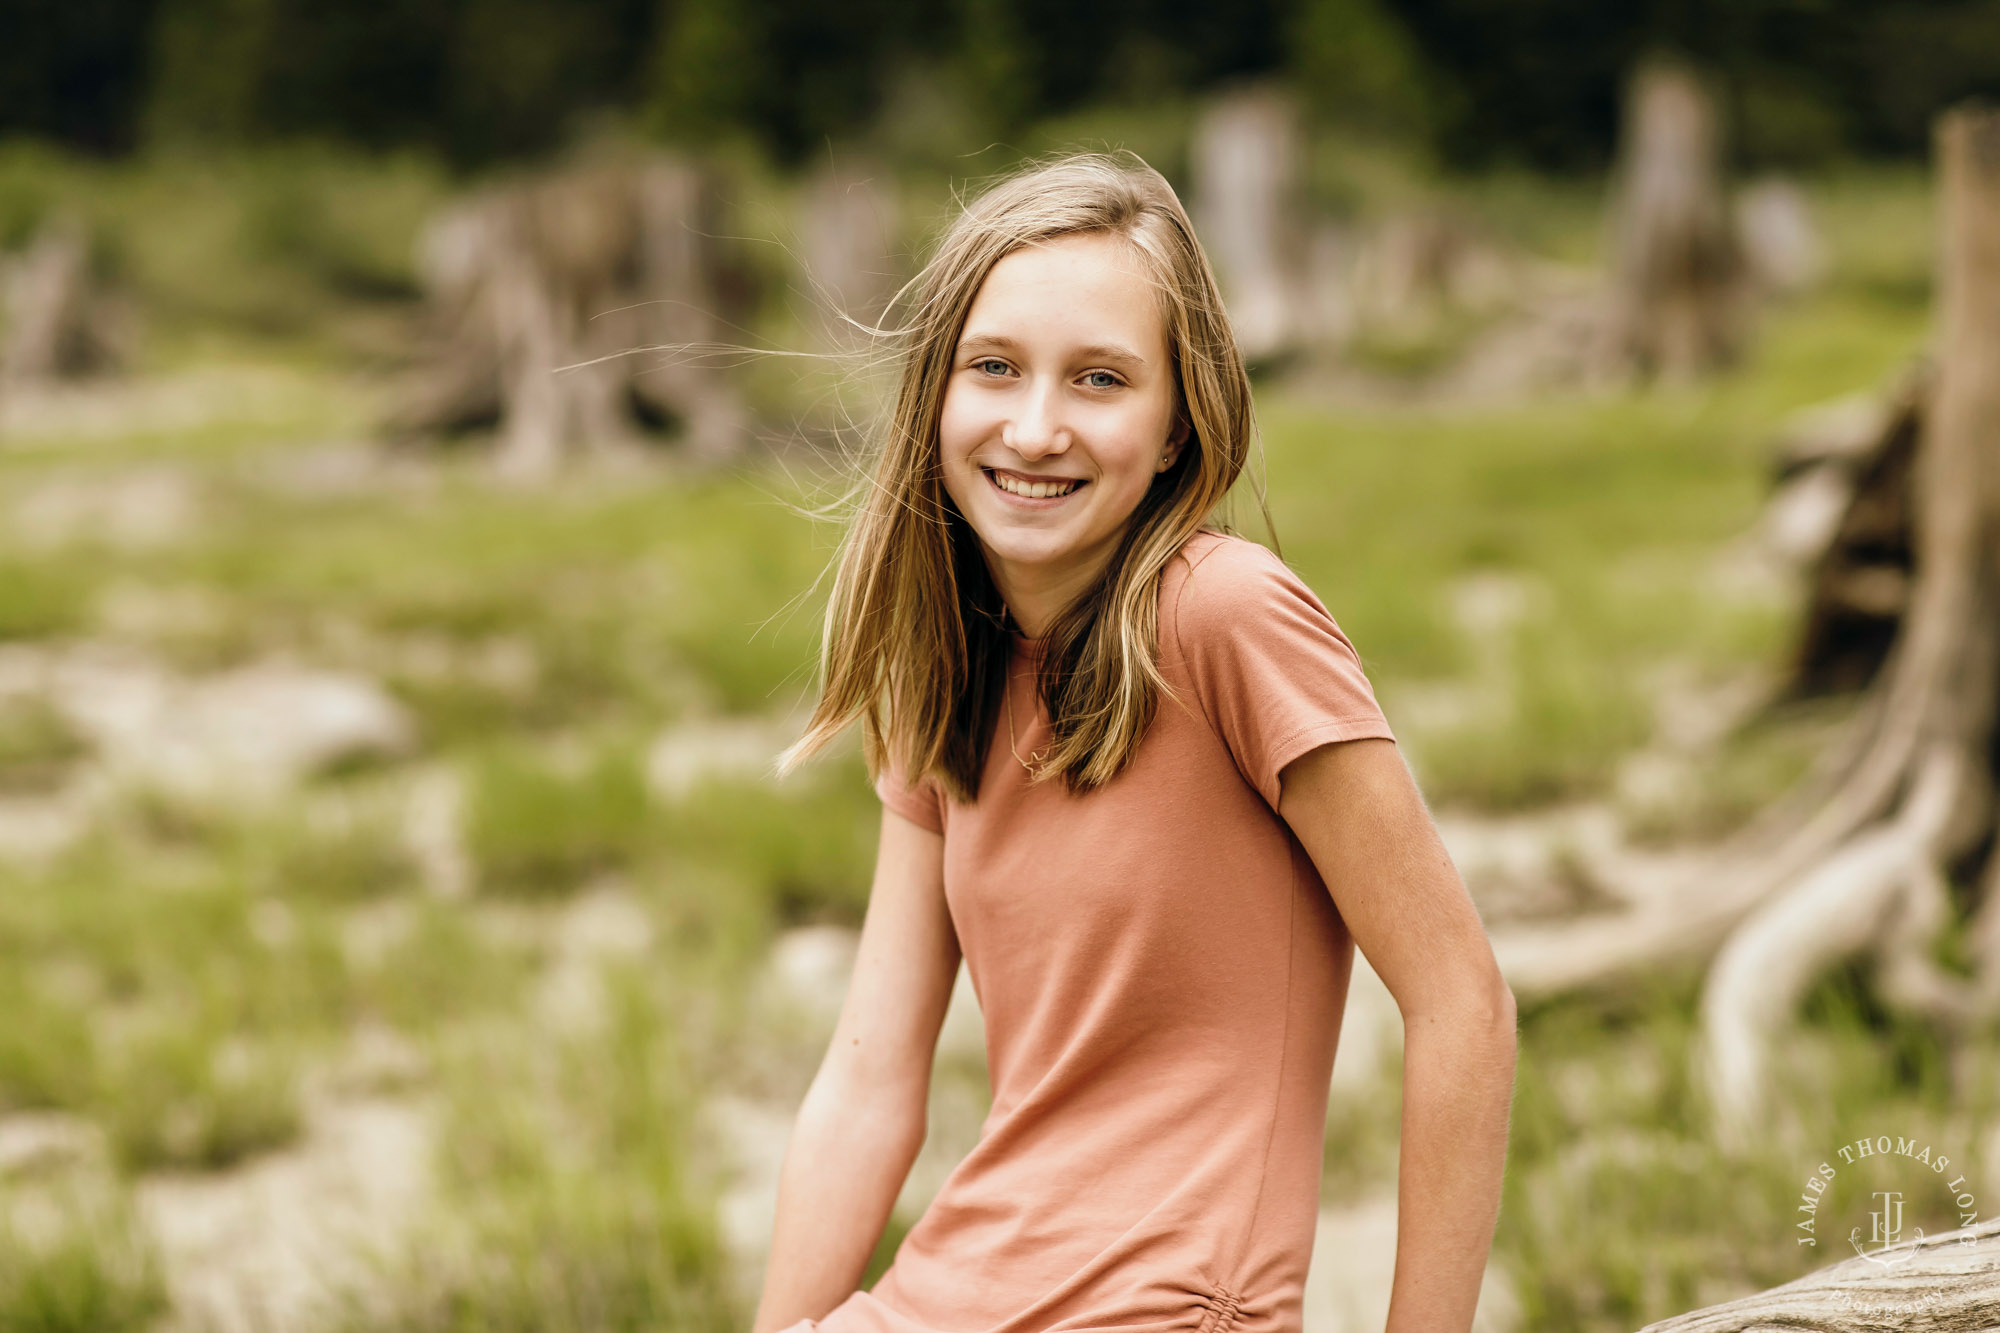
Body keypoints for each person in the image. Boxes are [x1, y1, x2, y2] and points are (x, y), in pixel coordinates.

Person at [759, 151, 1516, 1333]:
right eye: (993, 367)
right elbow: (867, 1074)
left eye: (1099, 379)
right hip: (943, 1296)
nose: (1034, 426)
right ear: (935, 396)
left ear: (1174, 427)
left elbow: (1460, 999)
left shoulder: (1226, 615)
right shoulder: (940, 666)